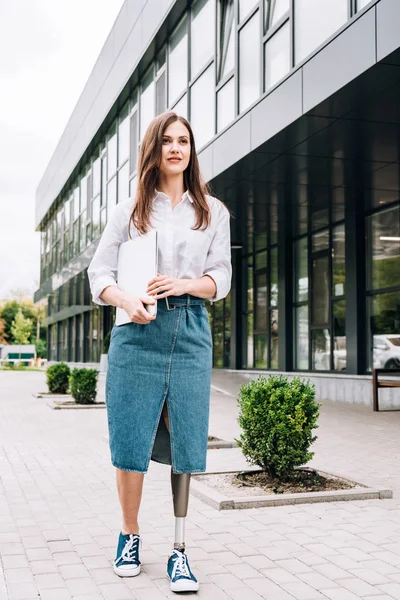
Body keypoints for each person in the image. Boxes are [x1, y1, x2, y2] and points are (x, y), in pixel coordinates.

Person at [88, 111, 232, 593]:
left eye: (184, 141)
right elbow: (98, 276)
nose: (176, 148)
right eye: (167, 141)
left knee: (187, 439)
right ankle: (128, 536)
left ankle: (179, 550)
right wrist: (128, 299)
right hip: (136, 331)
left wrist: (185, 283)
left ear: (191, 150)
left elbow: (221, 280)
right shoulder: (128, 210)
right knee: (130, 439)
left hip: (190, 328)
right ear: (154, 148)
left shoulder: (212, 211)